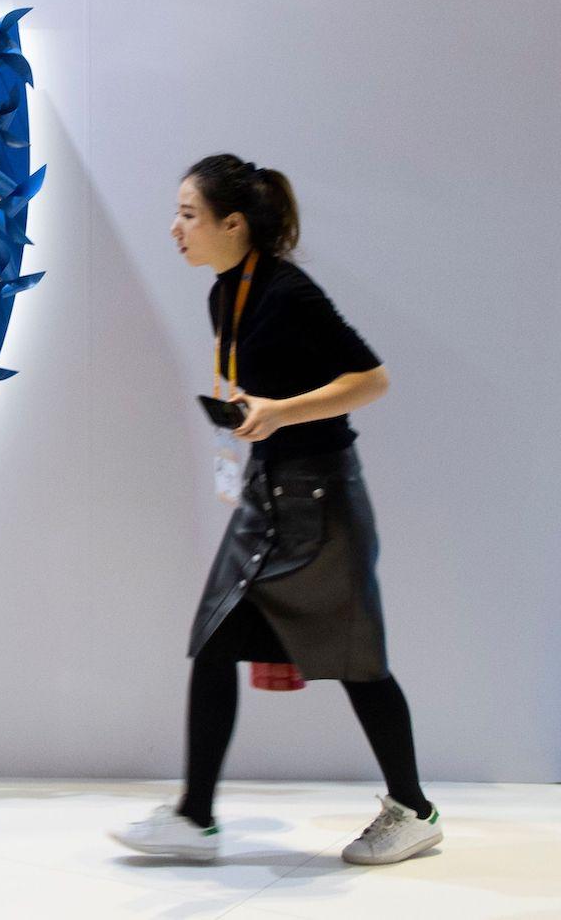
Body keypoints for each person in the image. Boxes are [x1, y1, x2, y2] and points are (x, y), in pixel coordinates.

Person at [109, 154, 442, 865]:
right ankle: (195, 817)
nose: (175, 228)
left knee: (359, 661)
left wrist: (283, 411)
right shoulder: (223, 294)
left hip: (320, 501)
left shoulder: (287, 291)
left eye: (189, 215)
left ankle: (413, 809)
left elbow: (372, 379)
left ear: (235, 223)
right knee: (215, 638)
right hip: (269, 494)